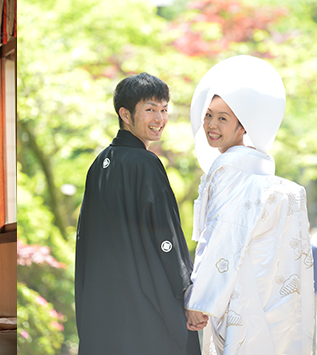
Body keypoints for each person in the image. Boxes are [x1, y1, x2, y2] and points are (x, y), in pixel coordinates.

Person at [184, 55, 314, 354]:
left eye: (223, 118)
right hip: (268, 300)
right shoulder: (259, 172)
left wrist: (200, 301)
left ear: (243, 127)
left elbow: (220, 237)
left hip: (237, 295)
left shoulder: (229, 172)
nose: (211, 125)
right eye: (208, 115)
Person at [74, 73, 202, 355]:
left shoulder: (99, 163)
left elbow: (85, 236)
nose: (159, 118)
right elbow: (164, 235)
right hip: (143, 304)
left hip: (104, 302)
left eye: (164, 110)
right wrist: (186, 291)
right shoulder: (144, 162)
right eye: (150, 110)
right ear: (125, 114)